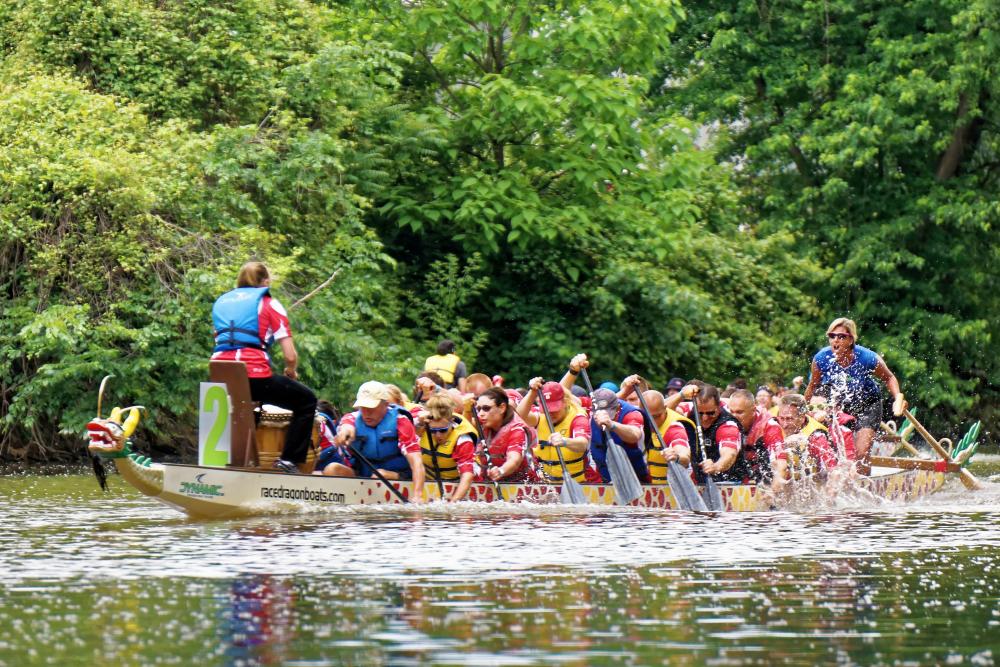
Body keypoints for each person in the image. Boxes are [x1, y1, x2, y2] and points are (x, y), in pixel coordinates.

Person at [211, 261, 317, 473]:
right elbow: (290, 355)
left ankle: (231, 461)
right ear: (265, 281)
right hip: (254, 375)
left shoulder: (223, 302)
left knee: (242, 406)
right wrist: (291, 370)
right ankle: (288, 461)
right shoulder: (270, 303)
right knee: (306, 401)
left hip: (220, 373)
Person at [804, 317, 907, 469]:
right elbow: (812, 387)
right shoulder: (821, 359)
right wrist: (804, 410)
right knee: (836, 451)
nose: (835, 340)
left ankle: (864, 485)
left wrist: (898, 398)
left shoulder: (867, 357)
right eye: (832, 336)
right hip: (841, 405)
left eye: (841, 336)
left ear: (851, 339)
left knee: (861, 454)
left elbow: (889, 377)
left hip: (868, 405)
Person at [331, 381, 426, 502]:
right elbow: (347, 428)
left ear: (385, 405)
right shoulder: (351, 418)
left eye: (371, 407)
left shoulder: (400, 421)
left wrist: (418, 496)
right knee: (332, 469)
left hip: (398, 474)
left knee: (379, 474)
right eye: (363, 407)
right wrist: (344, 434)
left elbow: (416, 462)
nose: (366, 413)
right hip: (363, 474)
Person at [517, 379, 592, 484]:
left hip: (580, 482)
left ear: (565, 402)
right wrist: (532, 392)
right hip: (547, 484)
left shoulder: (578, 418)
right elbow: (520, 416)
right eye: (547, 409)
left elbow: (582, 444)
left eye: (554, 409)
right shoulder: (540, 416)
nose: (550, 413)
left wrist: (564, 441)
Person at [670, 383, 747, 483]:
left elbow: (729, 454)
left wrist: (715, 467)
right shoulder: (690, 408)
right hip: (700, 481)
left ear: (719, 407)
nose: (705, 418)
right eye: (700, 413)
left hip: (729, 482)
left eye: (711, 413)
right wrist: (681, 395)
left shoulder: (728, 424)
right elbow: (661, 410)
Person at [419, 392, 479, 501]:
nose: (438, 435)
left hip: (463, 483)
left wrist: (453, 502)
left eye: (443, 430)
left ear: (451, 422)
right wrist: (418, 423)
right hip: (432, 483)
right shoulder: (421, 426)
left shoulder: (463, 439)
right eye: (433, 430)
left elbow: (467, 475)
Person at [474, 387, 536, 483]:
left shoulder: (517, 429)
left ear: (502, 408)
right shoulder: (483, 422)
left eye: (486, 408)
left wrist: (501, 471)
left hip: (522, 482)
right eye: (478, 409)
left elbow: (514, 460)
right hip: (490, 481)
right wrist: (466, 410)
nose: (481, 414)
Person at [775, 393, 841, 482]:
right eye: (782, 418)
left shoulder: (816, 436)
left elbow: (834, 470)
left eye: (789, 419)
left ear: (802, 418)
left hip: (809, 483)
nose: (784, 425)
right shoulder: (773, 425)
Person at [589, 387, 648, 483]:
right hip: (604, 477)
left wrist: (612, 424)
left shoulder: (632, 413)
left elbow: (635, 435)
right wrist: (573, 372)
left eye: (609, 414)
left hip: (636, 476)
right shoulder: (589, 410)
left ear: (617, 408)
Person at [635, 387, 693, 486]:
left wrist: (677, 456)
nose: (652, 422)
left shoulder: (674, 428)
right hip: (644, 487)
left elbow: (684, 455)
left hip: (671, 488)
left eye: (656, 416)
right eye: (648, 417)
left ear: (665, 408)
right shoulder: (634, 419)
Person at [726, 389, 784, 484]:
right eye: (731, 412)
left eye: (739, 412)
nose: (734, 416)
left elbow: (780, 461)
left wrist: (776, 485)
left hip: (764, 476)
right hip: (738, 475)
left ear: (753, 410)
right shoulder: (725, 421)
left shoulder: (770, 426)